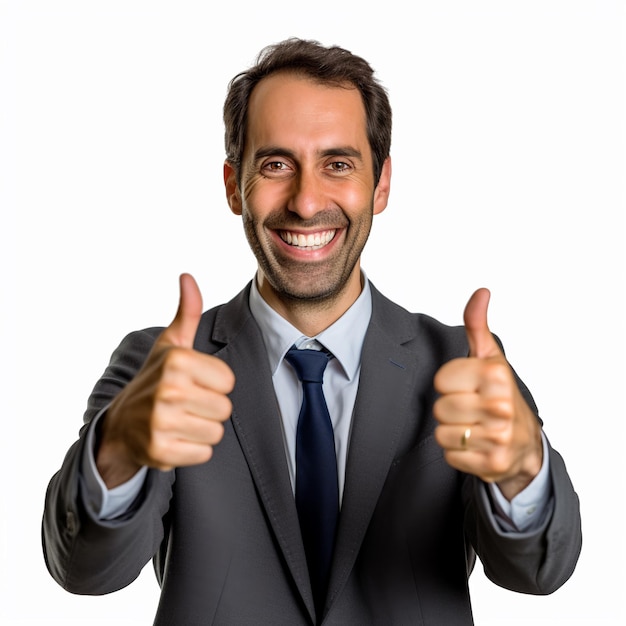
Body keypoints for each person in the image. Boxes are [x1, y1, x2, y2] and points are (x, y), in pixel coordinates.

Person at [42, 38, 582, 625]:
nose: (305, 201)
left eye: (338, 164)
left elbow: (539, 572)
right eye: (276, 165)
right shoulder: (159, 367)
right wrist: (119, 447)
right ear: (233, 185)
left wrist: (525, 471)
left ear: (380, 185)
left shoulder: (461, 365)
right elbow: (84, 570)